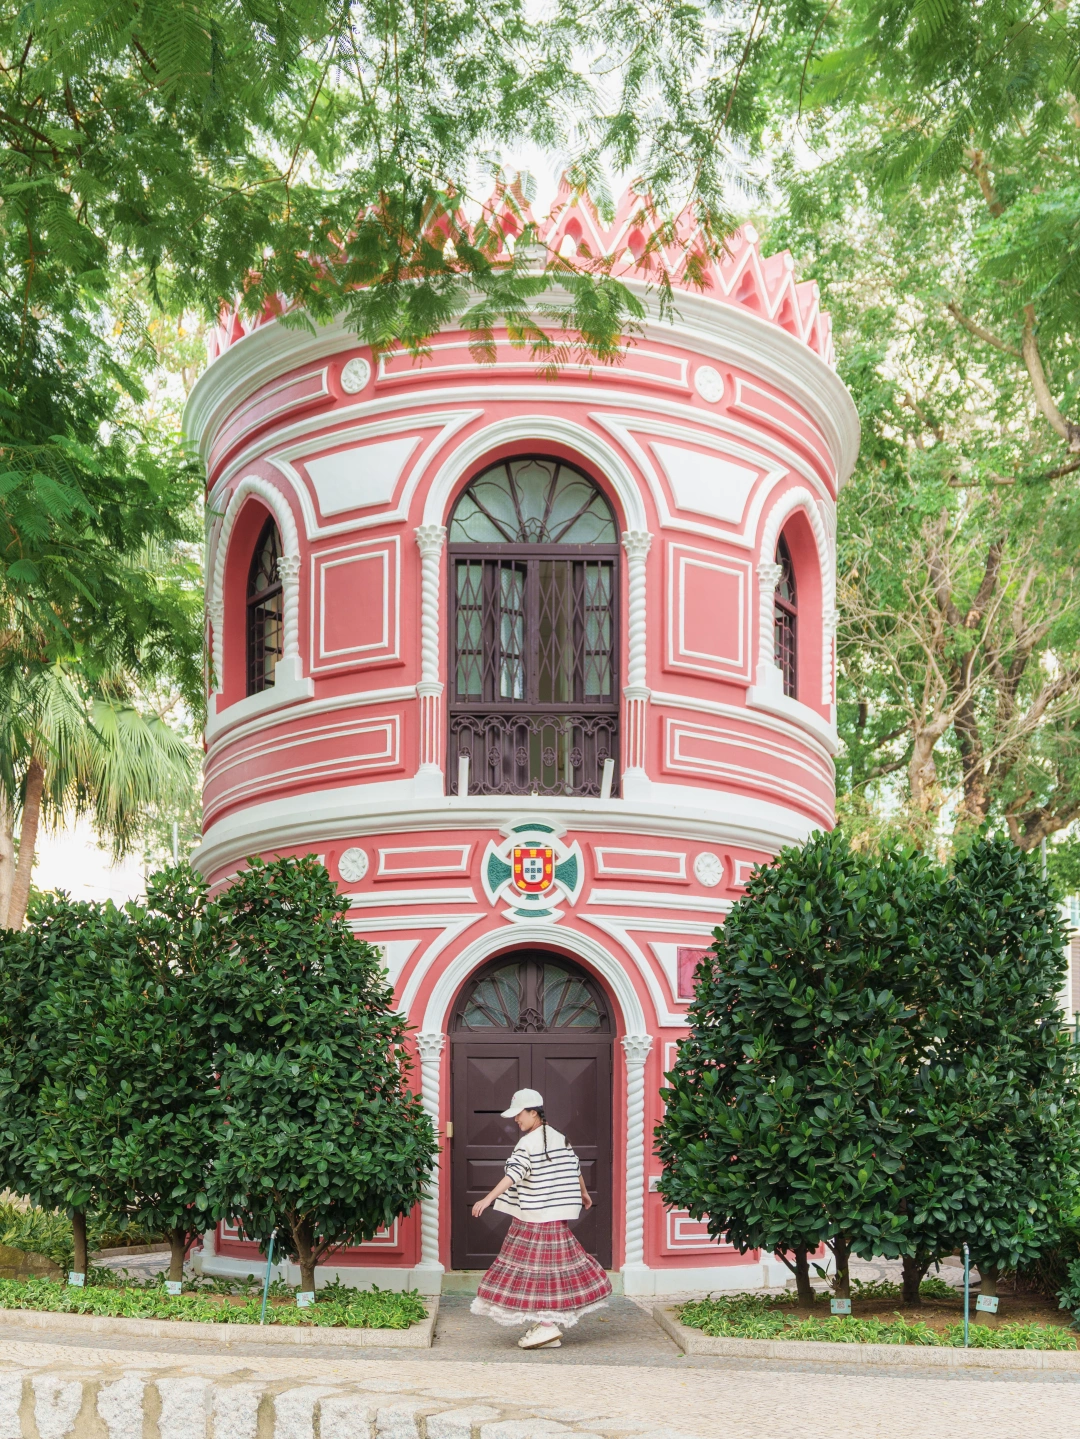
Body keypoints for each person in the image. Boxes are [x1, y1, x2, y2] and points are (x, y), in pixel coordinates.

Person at [469, 1087, 612, 1349]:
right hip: (553, 1217)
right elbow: (575, 1166)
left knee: (537, 1273)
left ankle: (547, 1326)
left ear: (534, 1112)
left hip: (534, 1217)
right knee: (549, 1272)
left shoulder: (528, 1143)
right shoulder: (560, 1138)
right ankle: (547, 1325)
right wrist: (583, 1192)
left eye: (519, 1114)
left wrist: (487, 1199)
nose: (516, 1119)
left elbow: (514, 1174)